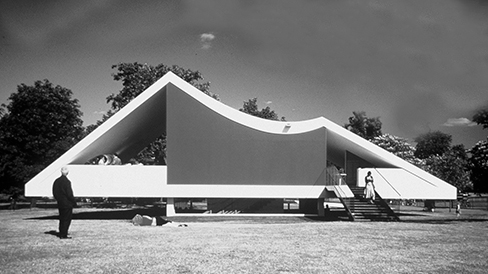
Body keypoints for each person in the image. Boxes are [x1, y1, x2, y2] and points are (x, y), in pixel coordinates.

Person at [52, 167, 77, 239]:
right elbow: (69, 194)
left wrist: (58, 199)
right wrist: (73, 202)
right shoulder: (67, 182)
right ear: (67, 173)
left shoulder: (56, 181)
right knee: (67, 219)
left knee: (62, 218)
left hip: (60, 202)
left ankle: (61, 232)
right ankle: (63, 234)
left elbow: (54, 192)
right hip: (67, 203)